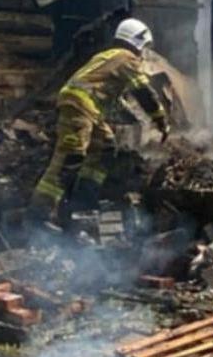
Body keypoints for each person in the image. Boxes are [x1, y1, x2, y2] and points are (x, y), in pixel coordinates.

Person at [31, 19, 168, 222]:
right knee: (70, 157)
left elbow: (113, 98)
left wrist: (135, 119)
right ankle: (39, 216)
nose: (143, 53)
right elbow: (143, 92)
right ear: (138, 41)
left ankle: (84, 204)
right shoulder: (126, 58)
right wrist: (160, 119)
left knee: (105, 146)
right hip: (79, 105)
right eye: (144, 47)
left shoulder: (108, 57)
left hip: (88, 108)